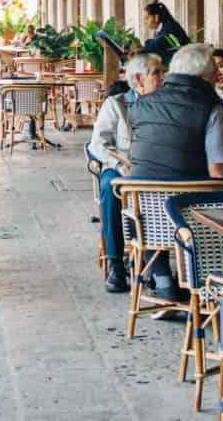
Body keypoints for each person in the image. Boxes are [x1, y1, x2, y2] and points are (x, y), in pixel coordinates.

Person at [90, 53, 166, 293]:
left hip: (156, 169)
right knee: (109, 187)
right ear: (138, 79)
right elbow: (98, 144)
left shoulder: (166, 104)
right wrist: (120, 164)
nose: (163, 77)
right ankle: (115, 263)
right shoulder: (117, 104)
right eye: (157, 73)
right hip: (122, 168)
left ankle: (159, 267)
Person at [129, 43, 223, 180]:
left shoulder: (141, 104)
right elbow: (220, 172)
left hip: (139, 198)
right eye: (214, 72)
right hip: (189, 199)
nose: (216, 78)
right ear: (202, 76)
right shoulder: (211, 107)